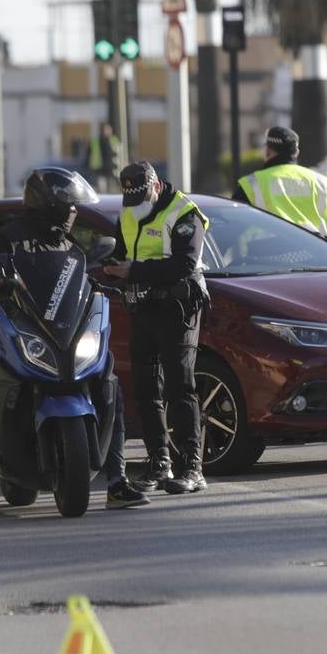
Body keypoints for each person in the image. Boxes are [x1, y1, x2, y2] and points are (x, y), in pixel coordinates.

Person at [0, 167, 148, 518]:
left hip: (62, 336)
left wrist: (99, 284)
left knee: (110, 383)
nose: (74, 212)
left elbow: (77, 283)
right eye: (69, 206)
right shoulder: (6, 238)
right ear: (49, 204)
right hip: (17, 331)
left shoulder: (70, 247)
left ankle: (116, 480)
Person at [105, 161, 211, 495]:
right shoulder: (128, 212)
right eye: (130, 202)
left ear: (154, 187)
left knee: (180, 387)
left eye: (141, 199)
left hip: (177, 307)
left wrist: (133, 271)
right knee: (144, 386)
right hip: (144, 307)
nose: (136, 208)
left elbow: (184, 263)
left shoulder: (183, 213)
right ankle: (158, 463)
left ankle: (192, 468)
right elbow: (120, 252)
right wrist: (109, 267)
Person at [232, 125, 327, 250]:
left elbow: (231, 232)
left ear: (267, 151)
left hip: (265, 261)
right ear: (296, 153)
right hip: (317, 261)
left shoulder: (251, 184)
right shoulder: (321, 183)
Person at [86, 123, 122, 192]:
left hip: (112, 168)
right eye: (105, 129)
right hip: (99, 168)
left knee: (112, 188)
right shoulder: (95, 141)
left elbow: (120, 153)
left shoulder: (114, 140)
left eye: (108, 129)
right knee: (102, 188)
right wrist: (87, 165)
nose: (106, 131)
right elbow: (89, 154)